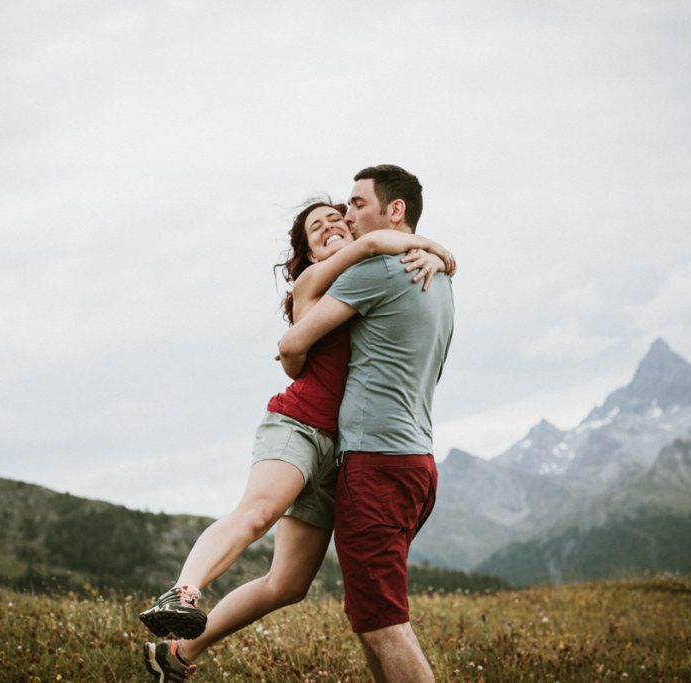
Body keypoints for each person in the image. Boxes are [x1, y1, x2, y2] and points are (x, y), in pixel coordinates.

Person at [140, 198, 455, 682]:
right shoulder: (314, 281)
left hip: (344, 453)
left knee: (287, 584)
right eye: (316, 228)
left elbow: (375, 259)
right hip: (300, 426)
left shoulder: (368, 281)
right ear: (308, 253)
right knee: (257, 513)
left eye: (336, 220)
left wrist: (432, 259)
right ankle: (183, 593)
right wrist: (436, 248)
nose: (330, 227)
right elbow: (369, 246)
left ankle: (175, 655)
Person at [278, 165, 454, 683]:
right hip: (415, 461)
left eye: (357, 204)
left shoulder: (377, 271)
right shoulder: (436, 277)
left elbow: (292, 343)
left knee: (383, 624)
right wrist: (440, 252)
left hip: (376, 462)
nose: (348, 215)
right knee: (371, 617)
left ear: (394, 210)